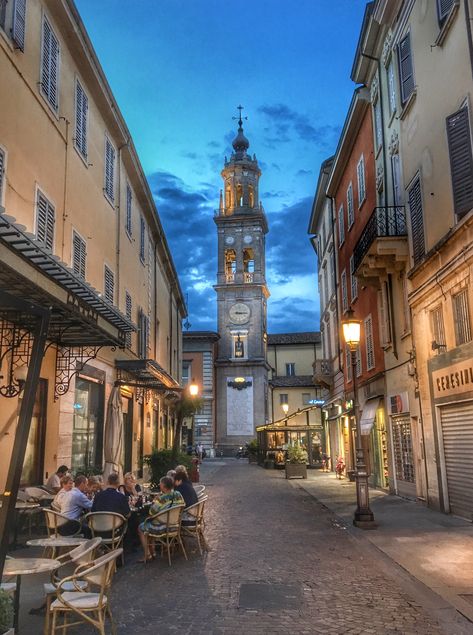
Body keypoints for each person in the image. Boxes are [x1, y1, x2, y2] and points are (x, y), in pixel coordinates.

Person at [137, 476, 184, 561]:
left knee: (142, 527)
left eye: (160, 484)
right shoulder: (178, 494)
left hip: (163, 527)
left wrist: (155, 501)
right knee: (150, 523)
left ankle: (147, 554)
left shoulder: (161, 499)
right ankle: (153, 551)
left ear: (164, 486)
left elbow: (151, 512)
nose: (159, 485)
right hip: (175, 526)